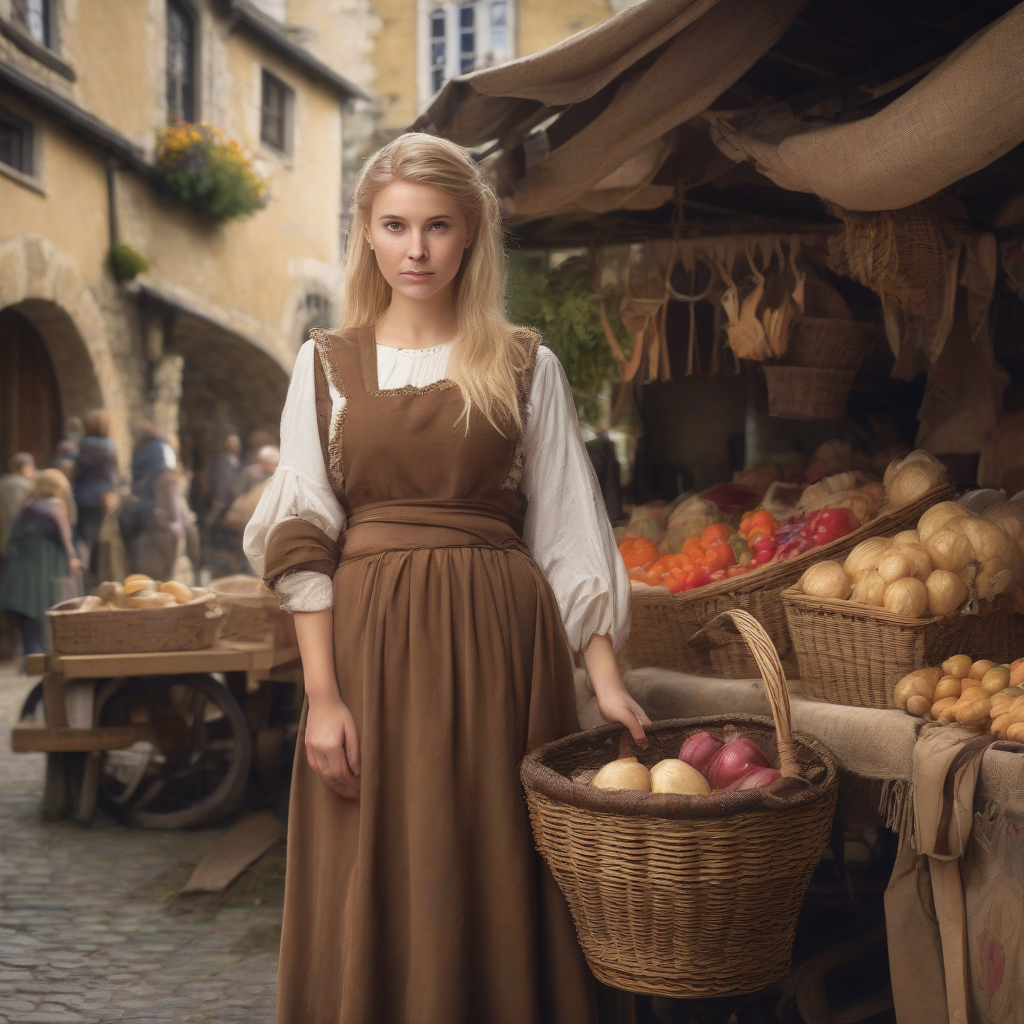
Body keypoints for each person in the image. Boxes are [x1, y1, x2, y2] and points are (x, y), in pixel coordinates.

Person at [244, 134, 646, 1024]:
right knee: (375, 857)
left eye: (437, 226)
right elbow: (303, 532)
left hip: (505, 648)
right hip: (369, 650)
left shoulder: (524, 362)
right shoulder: (324, 363)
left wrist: (607, 679)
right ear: (368, 235)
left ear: (471, 236)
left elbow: (570, 529)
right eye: (396, 226)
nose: (416, 249)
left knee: (493, 852)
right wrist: (322, 697)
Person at [0, 468, 82, 656]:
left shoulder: (27, 509)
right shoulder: (56, 506)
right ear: (58, 488)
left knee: (28, 616)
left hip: (20, 569)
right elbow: (65, 539)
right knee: (48, 612)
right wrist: (73, 560)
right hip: (45, 568)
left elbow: (10, 540)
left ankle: (30, 657)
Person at [73, 409, 119, 577]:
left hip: (83, 494)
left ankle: (82, 573)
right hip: (101, 496)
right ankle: (94, 573)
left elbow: (76, 469)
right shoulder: (110, 446)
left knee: (82, 537)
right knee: (96, 538)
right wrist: (111, 492)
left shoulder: (83, 445)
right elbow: (113, 473)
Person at [0, 453, 35, 556]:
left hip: (3, 533)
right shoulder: (30, 486)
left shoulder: (2, 484)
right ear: (26, 468)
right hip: (24, 535)